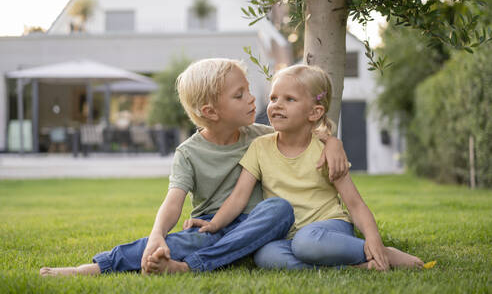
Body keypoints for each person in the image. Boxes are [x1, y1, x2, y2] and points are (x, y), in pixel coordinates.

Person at [40, 59, 349, 277]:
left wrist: (332, 142)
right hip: (209, 227)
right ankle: (92, 269)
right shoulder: (188, 153)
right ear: (211, 111)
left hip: (256, 225)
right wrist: (157, 234)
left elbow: (310, 133)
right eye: (239, 95)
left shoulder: (261, 134)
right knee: (171, 243)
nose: (253, 99)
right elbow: (173, 202)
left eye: (248, 90)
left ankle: (193, 266)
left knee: (279, 209)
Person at [186, 64, 424, 271]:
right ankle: (357, 266)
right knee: (266, 256)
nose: (277, 105)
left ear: (315, 112)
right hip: (287, 236)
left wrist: (373, 239)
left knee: (307, 242)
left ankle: (378, 252)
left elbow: (355, 204)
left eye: (289, 99)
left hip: (327, 229)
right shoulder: (259, 147)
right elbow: (238, 197)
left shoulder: (324, 151)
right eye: (273, 98)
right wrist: (214, 223)